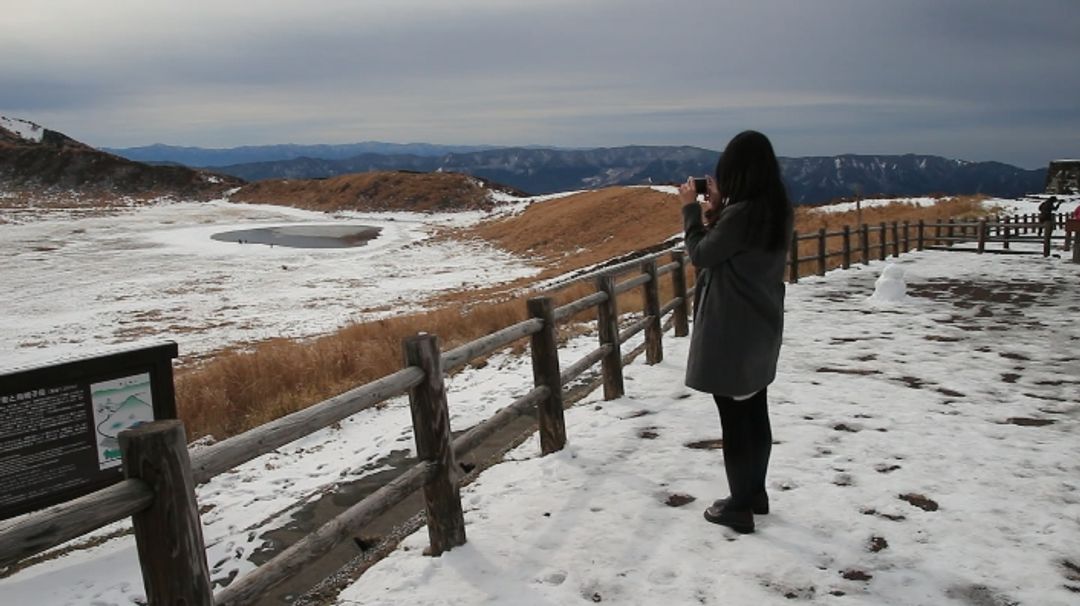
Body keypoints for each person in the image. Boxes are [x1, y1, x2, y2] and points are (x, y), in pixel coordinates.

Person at [676, 130, 793, 534]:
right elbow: (732, 252)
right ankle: (754, 494)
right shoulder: (774, 208)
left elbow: (703, 255)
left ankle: (739, 506)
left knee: (735, 421)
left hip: (732, 331)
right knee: (755, 413)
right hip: (760, 325)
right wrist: (718, 209)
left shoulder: (743, 214)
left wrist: (691, 210)